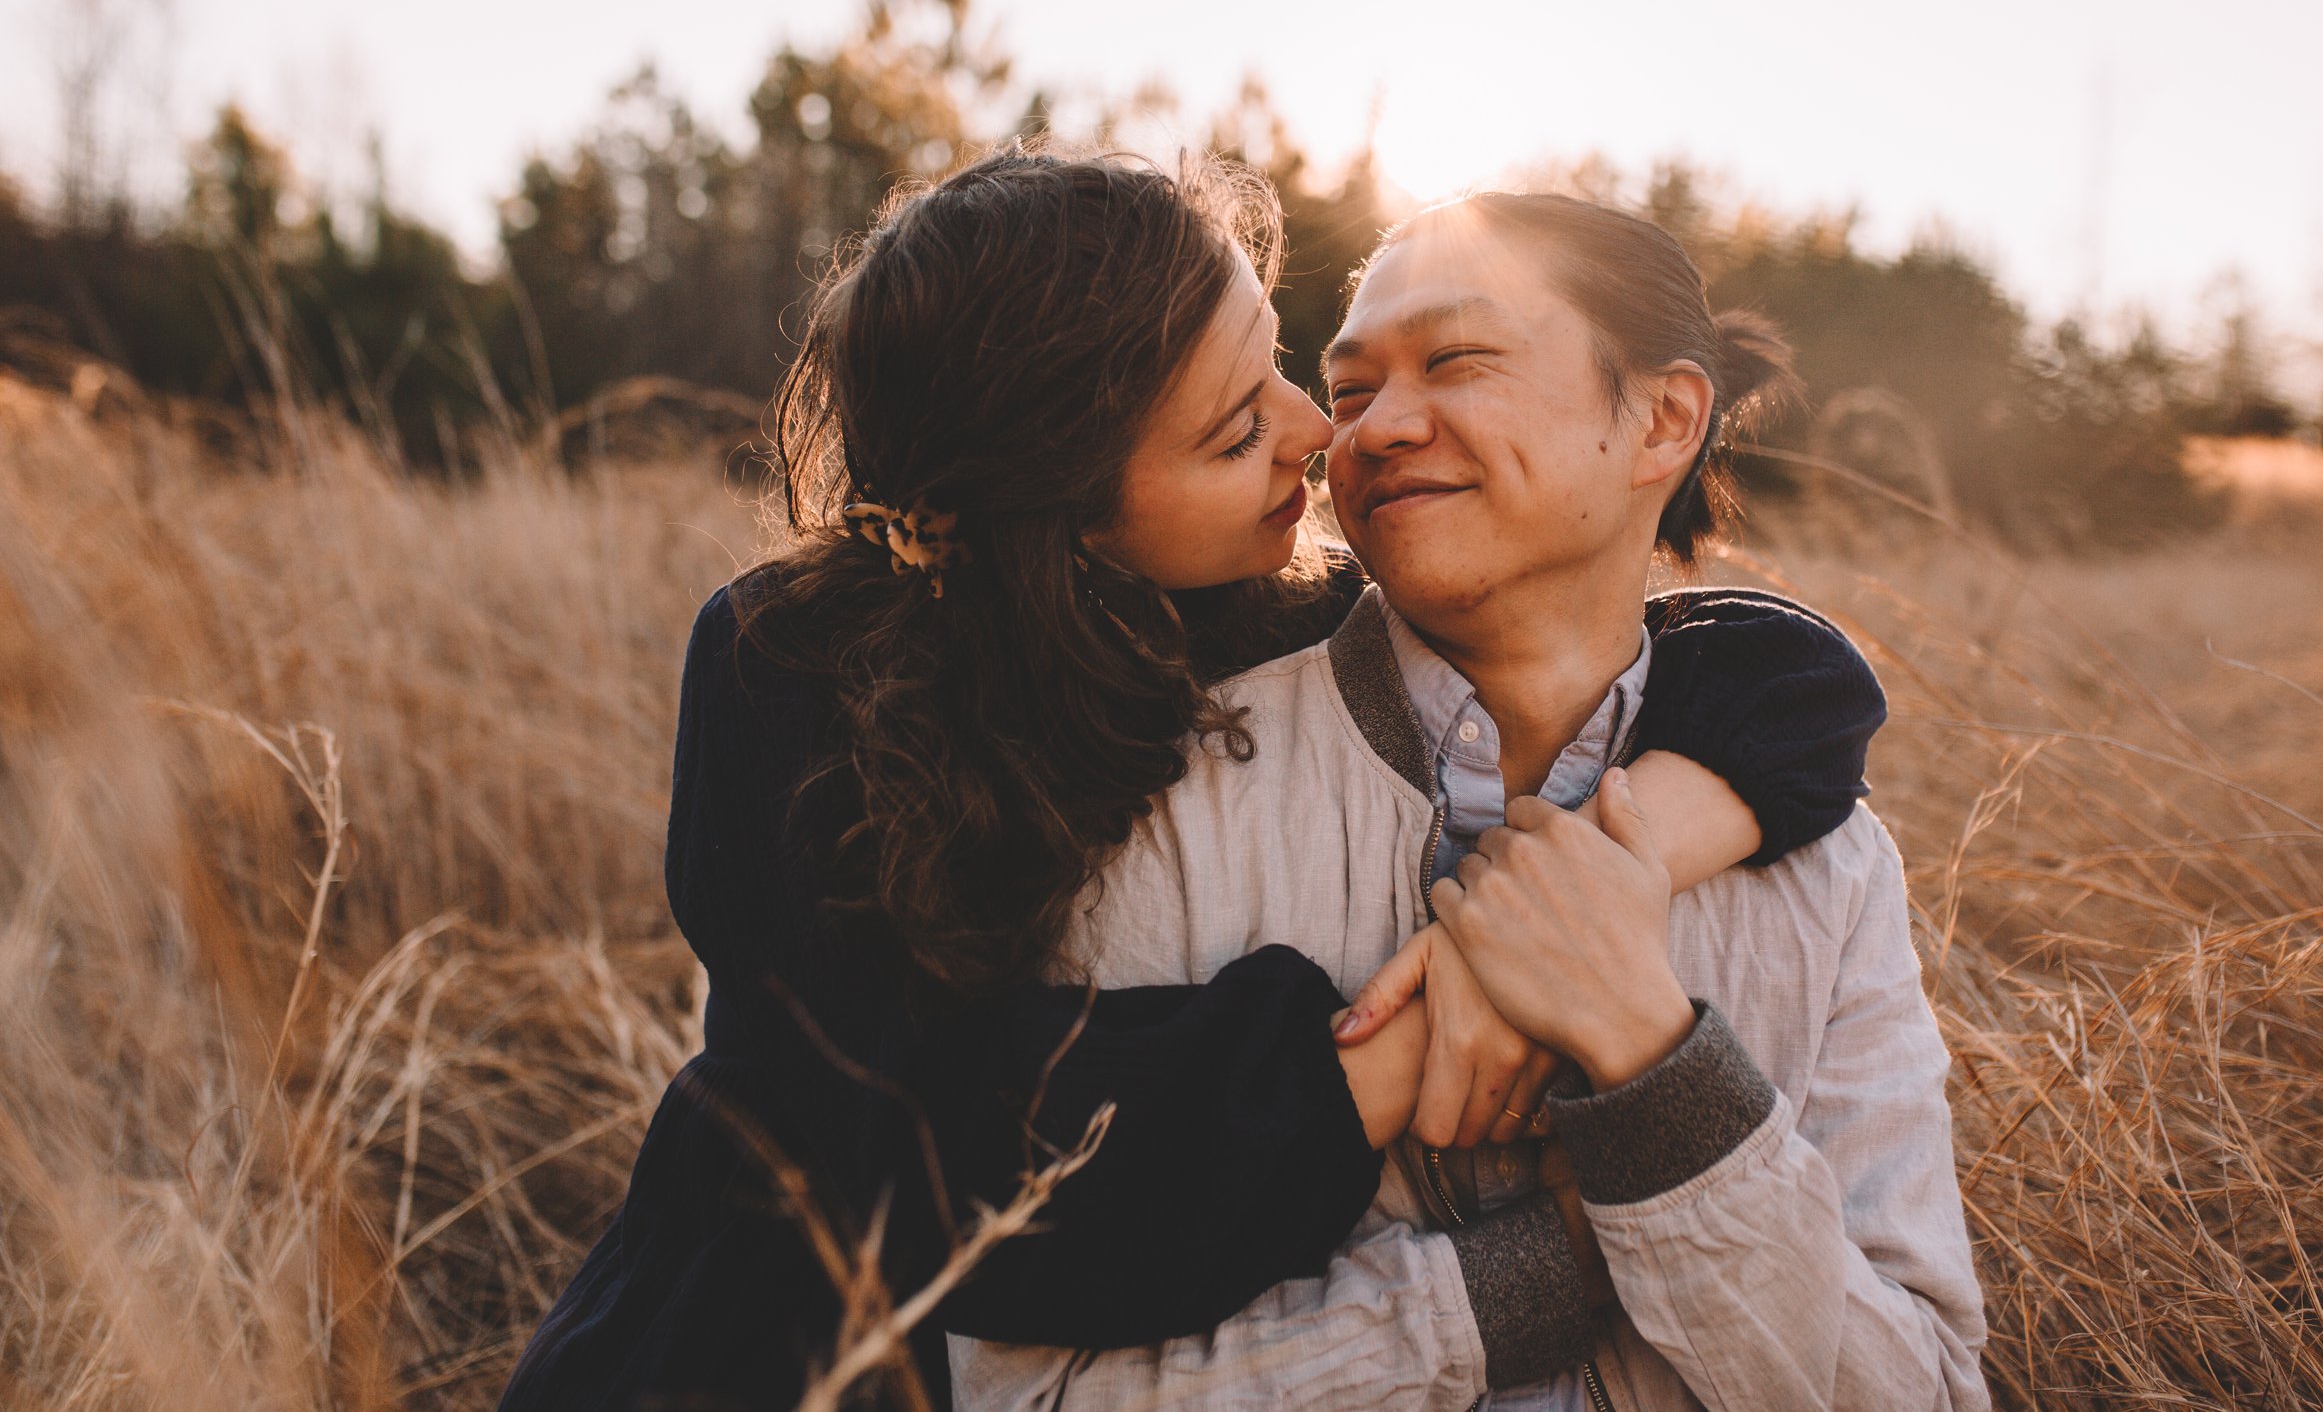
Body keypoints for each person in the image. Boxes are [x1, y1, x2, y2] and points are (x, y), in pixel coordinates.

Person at [496, 154, 1890, 1411]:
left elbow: (1781, 677)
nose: (1319, 435)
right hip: (765, 1352)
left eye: (1286, 368)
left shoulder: (1242, 595)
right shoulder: (790, 675)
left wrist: (1617, 862)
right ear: (1071, 525)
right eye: (1237, 431)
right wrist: (1433, 1026)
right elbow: (942, 1163)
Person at [953, 191, 1987, 1410]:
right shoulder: (1162, 799)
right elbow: (1026, 1390)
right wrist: (1519, 1284)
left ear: (1662, 419)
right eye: (1346, 392)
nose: (1376, 428)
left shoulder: (1827, 867)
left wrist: (1658, 1072)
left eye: (1455, 360)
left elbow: (1922, 1390)